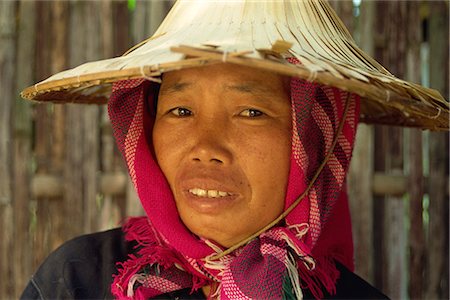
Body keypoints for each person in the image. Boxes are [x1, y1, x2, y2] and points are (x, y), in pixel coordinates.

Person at [20, 0, 448, 299]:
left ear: (315, 140)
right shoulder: (77, 280)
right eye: (181, 109)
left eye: (251, 112)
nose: (205, 147)